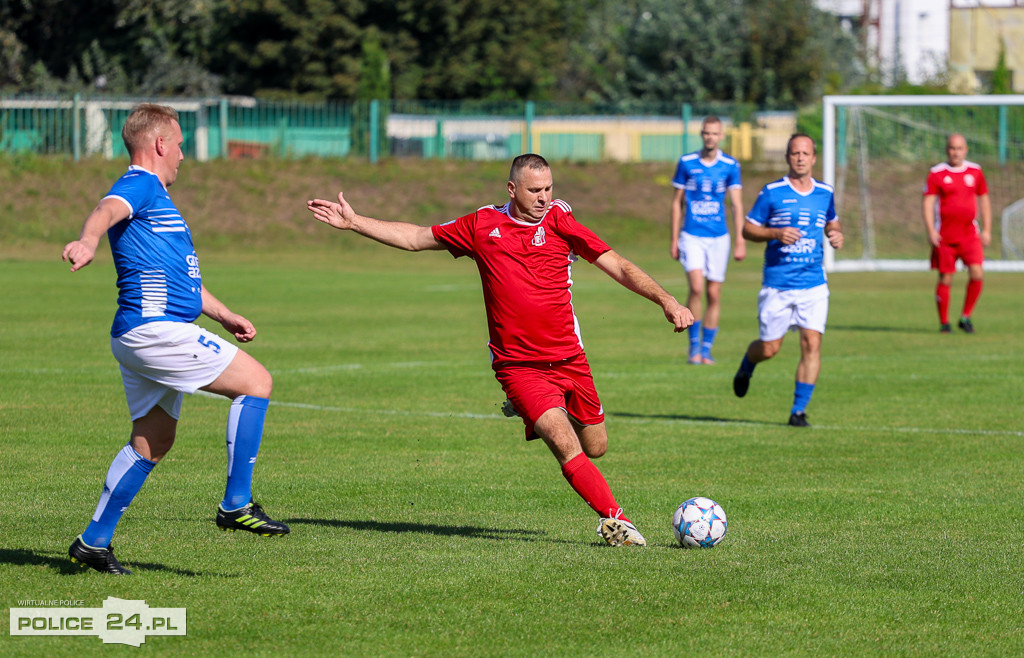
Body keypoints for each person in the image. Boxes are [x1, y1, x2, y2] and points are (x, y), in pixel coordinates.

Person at [307, 153, 693, 547]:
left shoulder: (562, 222)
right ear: (512, 189)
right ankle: (617, 522)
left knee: (596, 447)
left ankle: (532, 409)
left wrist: (667, 301)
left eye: (549, 189)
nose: (544, 198)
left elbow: (619, 265)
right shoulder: (481, 225)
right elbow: (416, 238)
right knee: (564, 443)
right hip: (518, 365)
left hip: (569, 358)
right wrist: (354, 222)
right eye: (534, 190)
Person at [61, 103, 288, 575]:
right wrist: (87, 240)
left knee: (153, 442)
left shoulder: (159, 200)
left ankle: (93, 542)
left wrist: (223, 313)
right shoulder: (140, 183)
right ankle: (236, 505)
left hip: (142, 332)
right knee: (257, 382)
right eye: (180, 144)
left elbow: (182, 280)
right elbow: (105, 209)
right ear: (160, 144)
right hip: (155, 331)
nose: (183, 154)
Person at [731, 134, 843, 428]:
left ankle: (798, 411)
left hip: (814, 284)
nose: (801, 158)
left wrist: (835, 233)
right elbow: (747, 229)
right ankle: (748, 364)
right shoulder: (772, 192)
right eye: (795, 153)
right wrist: (776, 233)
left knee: (811, 343)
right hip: (778, 285)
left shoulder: (824, 192)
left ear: (814, 158)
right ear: (787, 157)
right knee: (770, 348)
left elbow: (831, 220)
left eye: (806, 153)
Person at [670, 115, 746, 365]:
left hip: (719, 237)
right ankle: (693, 348)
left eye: (714, 133)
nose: (710, 137)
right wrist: (674, 239)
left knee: (714, 293)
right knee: (697, 288)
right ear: (701, 135)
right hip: (692, 235)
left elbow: (736, 204)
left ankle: (707, 348)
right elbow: (676, 203)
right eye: (706, 133)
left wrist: (740, 240)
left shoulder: (730, 165)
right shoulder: (687, 163)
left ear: (721, 136)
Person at [922, 133, 991, 334]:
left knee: (977, 272)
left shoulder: (975, 171)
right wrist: (930, 230)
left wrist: (987, 229)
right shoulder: (936, 173)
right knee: (945, 278)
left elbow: (984, 199)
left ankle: (965, 316)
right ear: (947, 150)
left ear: (966, 150)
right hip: (945, 236)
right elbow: (928, 202)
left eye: (959, 148)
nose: (956, 152)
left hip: (970, 234)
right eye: (952, 148)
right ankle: (944, 323)